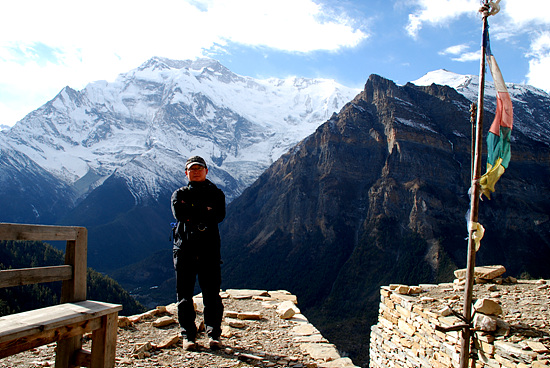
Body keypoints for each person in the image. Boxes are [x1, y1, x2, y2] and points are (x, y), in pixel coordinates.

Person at [171, 155, 226, 351]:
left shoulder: (217, 194)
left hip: (209, 251)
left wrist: (192, 210)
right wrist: (205, 210)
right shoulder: (178, 194)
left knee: (212, 294)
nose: (195, 171)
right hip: (184, 250)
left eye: (199, 168)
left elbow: (219, 215)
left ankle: (214, 335)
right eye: (192, 169)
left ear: (206, 171)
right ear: (186, 173)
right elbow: (180, 214)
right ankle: (188, 336)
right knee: (184, 296)